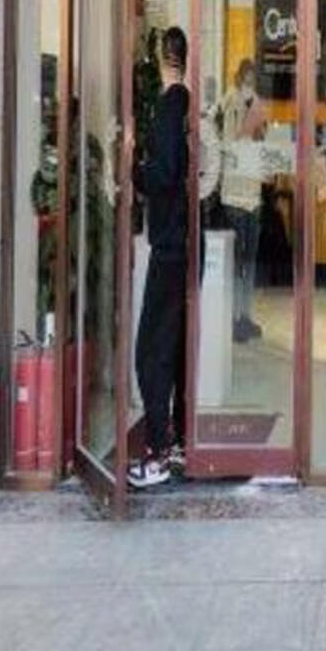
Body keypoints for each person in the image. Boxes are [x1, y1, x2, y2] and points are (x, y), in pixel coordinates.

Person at [128, 27, 190, 489]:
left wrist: (133, 166)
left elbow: (164, 173)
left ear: (161, 56)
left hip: (169, 247)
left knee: (150, 351)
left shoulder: (171, 107)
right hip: (179, 243)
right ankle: (178, 440)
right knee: (172, 346)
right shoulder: (184, 108)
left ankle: (157, 453)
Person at [221, 58, 267, 343]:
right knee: (236, 262)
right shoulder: (230, 101)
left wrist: (260, 130)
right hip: (235, 195)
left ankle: (245, 314)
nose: (249, 82)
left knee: (250, 261)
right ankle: (233, 317)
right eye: (246, 77)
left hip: (253, 193)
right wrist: (247, 125)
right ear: (240, 77)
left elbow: (261, 142)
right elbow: (229, 143)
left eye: (253, 78)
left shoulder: (258, 103)